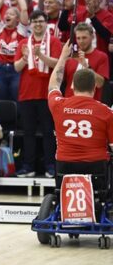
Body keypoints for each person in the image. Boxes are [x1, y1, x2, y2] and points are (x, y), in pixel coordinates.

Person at [47, 41, 113, 190]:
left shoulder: (59, 105)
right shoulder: (106, 112)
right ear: (94, 87)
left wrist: (63, 57)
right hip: (95, 169)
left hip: (65, 168)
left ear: (72, 86)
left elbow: (53, 86)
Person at [14, 10, 61, 178]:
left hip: (46, 93)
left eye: (40, 21)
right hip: (26, 94)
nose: (38, 24)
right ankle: (28, 166)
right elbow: (16, 67)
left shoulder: (53, 41)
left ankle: (50, 166)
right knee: (28, 133)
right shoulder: (23, 43)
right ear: (31, 25)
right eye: (34, 22)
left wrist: (40, 55)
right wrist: (26, 58)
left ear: (46, 23)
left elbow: (57, 64)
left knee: (49, 132)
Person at [63, 23, 109, 102]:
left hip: (90, 106)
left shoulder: (102, 56)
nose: (81, 41)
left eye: (84, 38)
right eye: (78, 38)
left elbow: (100, 83)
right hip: (70, 104)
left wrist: (85, 65)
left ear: (92, 37)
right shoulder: (70, 57)